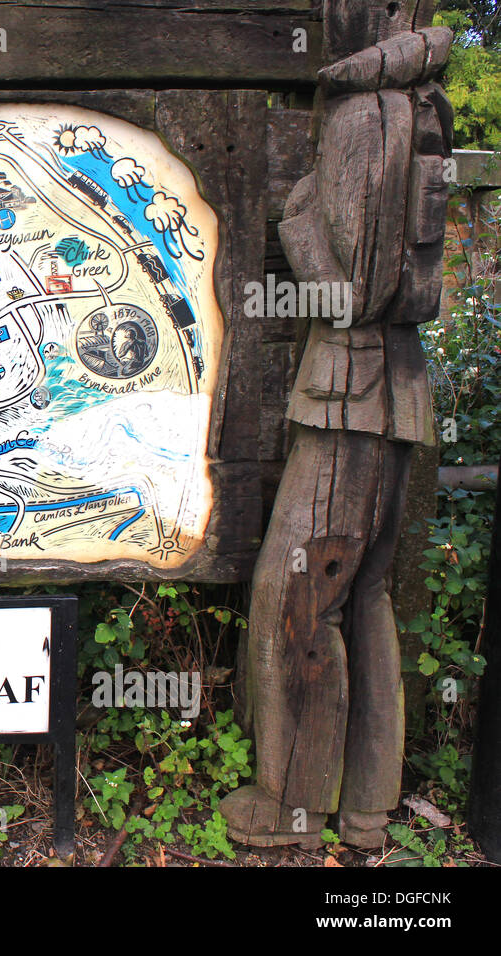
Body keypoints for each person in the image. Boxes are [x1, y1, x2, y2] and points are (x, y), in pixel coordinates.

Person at [221, 26, 453, 848]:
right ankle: (365, 809)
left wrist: (298, 222)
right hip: (395, 393)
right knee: (364, 597)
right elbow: (415, 283)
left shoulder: (366, 116)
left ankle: (295, 801)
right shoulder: (428, 113)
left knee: (297, 599)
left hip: (345, 396)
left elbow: (355, 287)